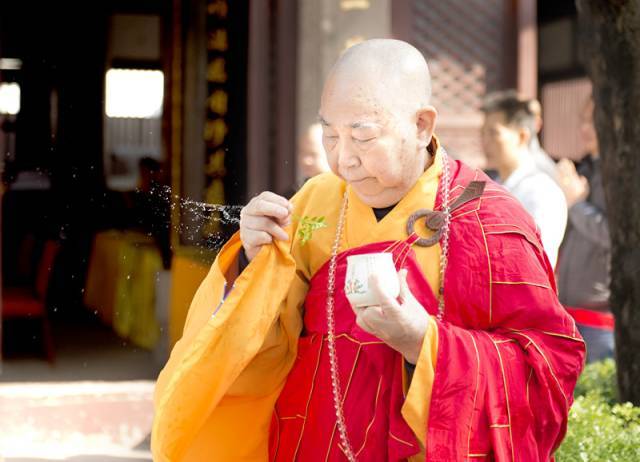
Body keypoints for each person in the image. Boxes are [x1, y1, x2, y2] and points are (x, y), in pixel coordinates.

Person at [152, 40, 584, 461]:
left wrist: (423, 344)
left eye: (362, 135)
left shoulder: (490, 220)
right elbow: (257, 348)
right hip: (311, 441)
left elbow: (548, 365)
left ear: (421, 126)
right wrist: (252, 259)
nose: (343, 161)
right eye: (330, 135)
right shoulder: (314, 201)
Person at [556, 97, 613, 363]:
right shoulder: (587, 168)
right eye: (582, 120)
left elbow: (612, 236)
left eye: (592, 120)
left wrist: (576, 204)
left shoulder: (620, 174)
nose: (584, 128)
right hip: (570, 311)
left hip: (602, 317)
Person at [481, 91, 567, 268]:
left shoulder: (542, 191)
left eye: (494, 133)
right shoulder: (493, 185)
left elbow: (537, 258)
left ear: (522, 136)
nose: (485, 141)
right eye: (483, 133)